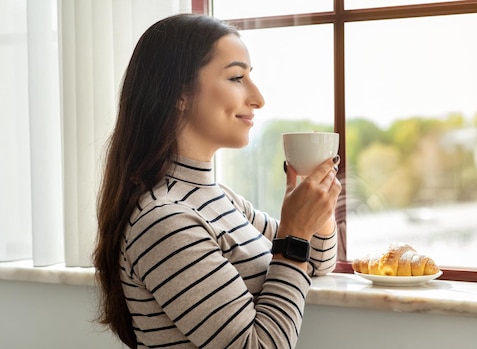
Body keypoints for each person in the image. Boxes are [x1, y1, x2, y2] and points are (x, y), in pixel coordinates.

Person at [94, 13, 341, 349]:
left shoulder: (220, 199)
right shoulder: (164, 219)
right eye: (237, 77)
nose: (258, 98)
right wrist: (294, 233)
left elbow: (316, 262)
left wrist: (318, 206)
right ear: (178, 93)